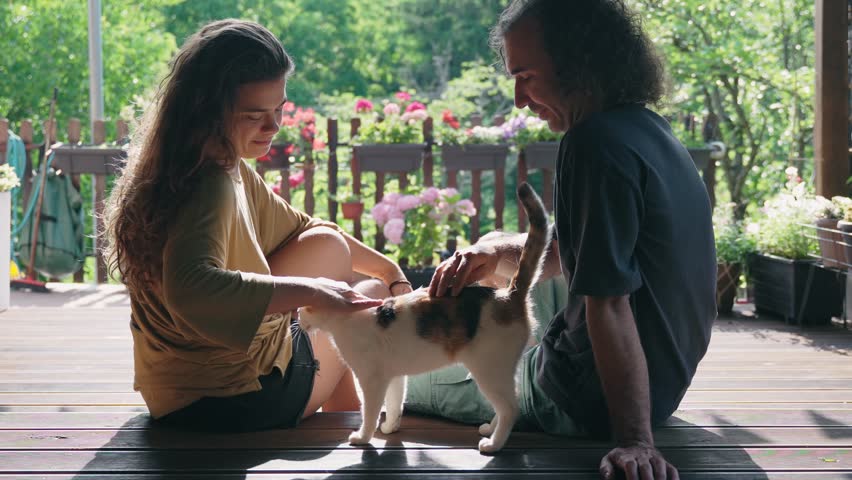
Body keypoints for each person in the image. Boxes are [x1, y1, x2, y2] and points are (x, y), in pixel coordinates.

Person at [420, 1, 716, 479]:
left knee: (399, 367)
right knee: (503, 273)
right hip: (663, 384)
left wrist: (635, 442)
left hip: (584, 400)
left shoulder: (592, 144)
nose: (518, 98)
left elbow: (609, 302)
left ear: (579, 62)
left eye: (527, 76)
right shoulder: (647, 130)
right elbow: (573, 253)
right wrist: (495, 251)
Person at [102, 19, 413, 433]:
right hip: (237, 398)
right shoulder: (208, 182)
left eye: (279, 109)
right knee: (359, 307)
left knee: (352, 275)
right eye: (253, 115)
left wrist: (389, 271)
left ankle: (348, 425)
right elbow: (190, 285)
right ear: (207, 112)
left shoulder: (203, 161)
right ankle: (353, 431)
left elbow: (308, 229)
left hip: (176, 396)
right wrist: (313, 289)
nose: (273, 127)